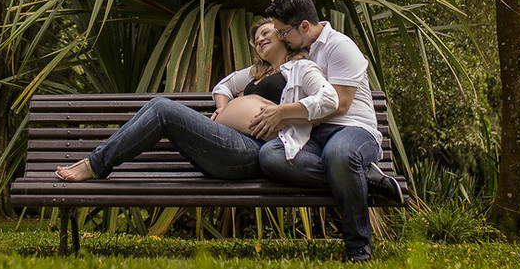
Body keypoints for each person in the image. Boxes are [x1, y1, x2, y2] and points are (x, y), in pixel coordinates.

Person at [55, 19, 338, 181]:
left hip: (252, 150)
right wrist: (223, 110)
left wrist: (282, 113)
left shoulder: (301, 67)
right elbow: (224, 86)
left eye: (266, 33)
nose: (259, 40)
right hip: (226, 143)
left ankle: (94, 165)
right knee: (159, 108)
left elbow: (328, 99)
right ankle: (95, 162)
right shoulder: (257, 73)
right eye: (255, 38)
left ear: (283, 35)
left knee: (161, 108)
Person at [252, 0, 406, 263]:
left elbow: (341, 104)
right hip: (314, 133)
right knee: (271, 156)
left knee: (340, 155)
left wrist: (283, 113)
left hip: (354, 130)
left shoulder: (340, 46)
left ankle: (358, 248)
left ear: (304, 26)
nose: (281, 38)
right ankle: (362, 179)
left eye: (283, 32)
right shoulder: (299, 52)